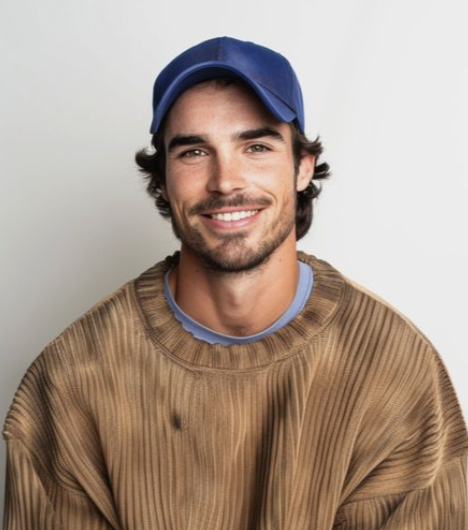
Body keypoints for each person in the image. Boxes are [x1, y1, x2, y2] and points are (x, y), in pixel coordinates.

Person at [3, 37, 468, 530]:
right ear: (162, 179)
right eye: (194, 151)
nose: (225, 180)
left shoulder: (391, 367)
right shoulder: (72, 378)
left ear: (302, 167)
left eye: (256, 147)